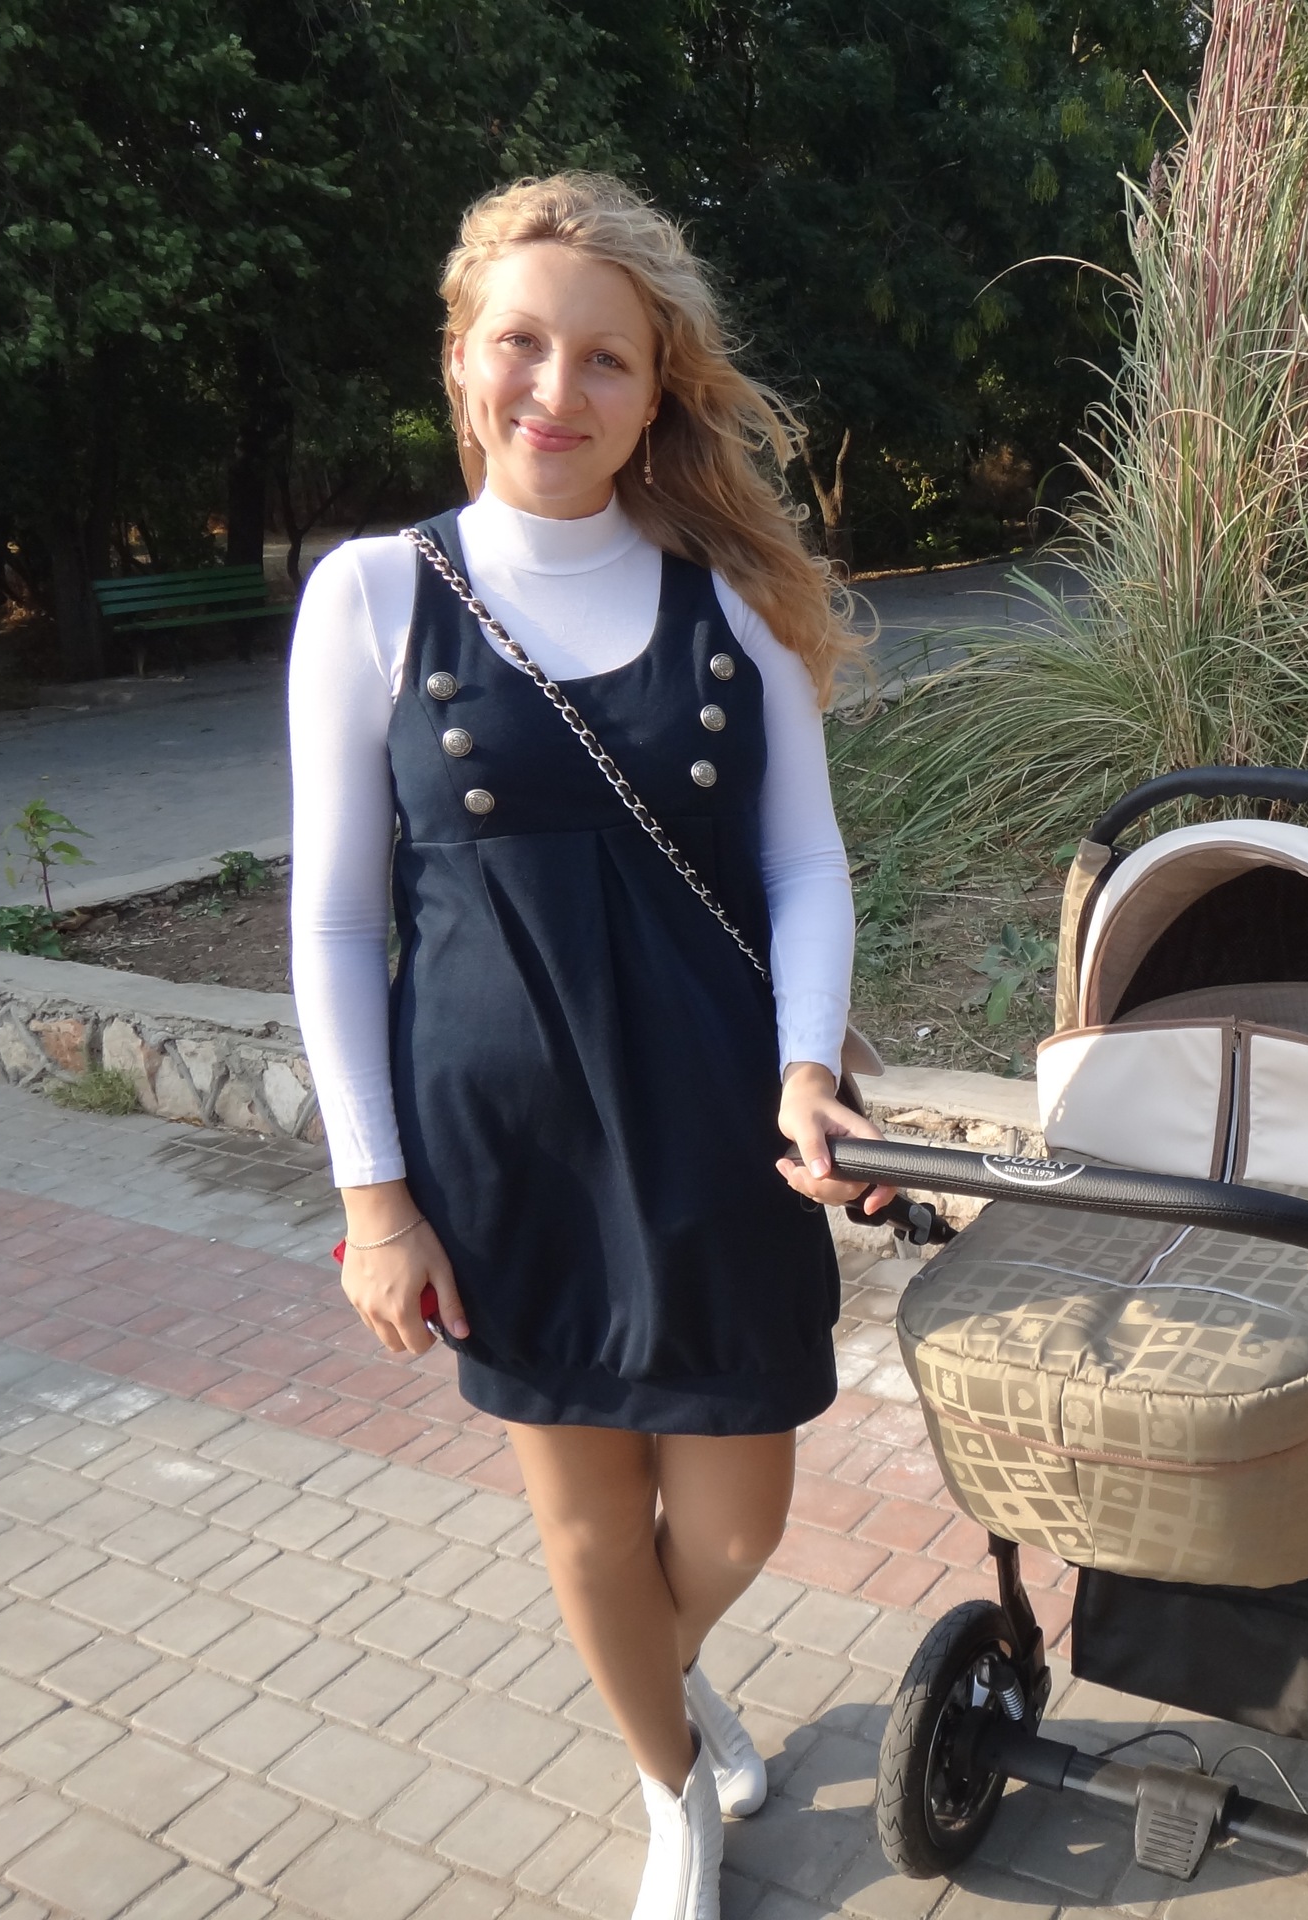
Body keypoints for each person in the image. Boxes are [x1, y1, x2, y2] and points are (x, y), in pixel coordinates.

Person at [287, 172, 895, 1920]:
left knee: (737, 1522)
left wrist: (808, 1068)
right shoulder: (371, 597)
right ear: (461, 361)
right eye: (522, 343)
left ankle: (656, 1684)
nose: (556, 389)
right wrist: (376, 1201)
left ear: (656, 391)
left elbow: (806, 865)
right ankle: (673, 1791)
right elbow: (334, 922)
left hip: (719, 1128)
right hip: (503, 1155)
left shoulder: (736, 600)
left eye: (605, 359)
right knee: (586, 1528)